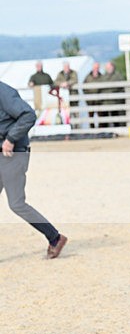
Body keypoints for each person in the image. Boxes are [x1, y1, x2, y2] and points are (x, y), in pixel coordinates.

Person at [0, 81, 67, 258]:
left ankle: (55, 238)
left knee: (16, 203)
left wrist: (10, 139)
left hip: (13, 154)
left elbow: (28, 115)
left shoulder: (3, 92)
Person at [98, 61, 124, 127]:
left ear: (113, 67)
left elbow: (120, 86)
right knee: (104, 119)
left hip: (115, 101)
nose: (108, 68)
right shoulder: (103, 76)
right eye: (107, 67)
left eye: (109, 67)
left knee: (116, 118)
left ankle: (117, 131)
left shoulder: (117, 75)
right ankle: (104, 133)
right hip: (105, 101)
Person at [83, 62, 102, 128]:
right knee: (91, 116)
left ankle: (101, 129)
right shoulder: (88, 77)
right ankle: (92, 129)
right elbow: (84, 88)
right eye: (95, 67)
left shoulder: (101, 76)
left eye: (97, 67)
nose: (96, 69)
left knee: (101, 115)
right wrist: (88, 97)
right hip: (90, 100)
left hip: (99, 100)